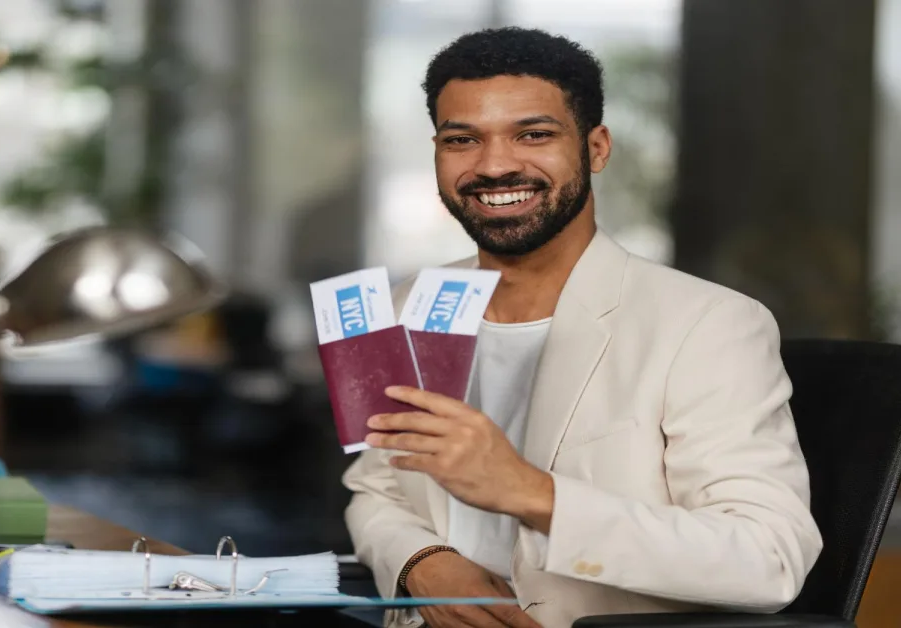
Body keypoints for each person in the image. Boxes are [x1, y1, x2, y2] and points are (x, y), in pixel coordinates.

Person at [341, 27, 822, 628]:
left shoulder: (709, 325)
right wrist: (425, 562)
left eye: (533, 134)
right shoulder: (405, 304)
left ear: (596, 148)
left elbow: (768, 557)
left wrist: (529, 492)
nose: (494, 165)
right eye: (462, 139)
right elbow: (375, 491)